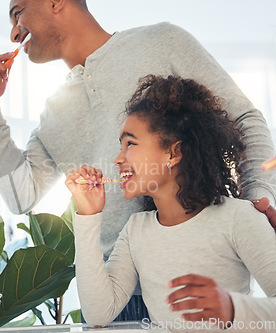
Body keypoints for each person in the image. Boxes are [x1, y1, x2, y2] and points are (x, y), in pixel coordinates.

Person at [0, 0, 276, 320]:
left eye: (18, 12)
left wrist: (257, 203)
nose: (13, 32)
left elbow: (245, 120)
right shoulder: (52, 114)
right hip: (115, 298)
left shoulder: (162, 41)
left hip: (202, 283)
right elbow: (20, 196)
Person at [65, 75, 276, 330]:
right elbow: (99, 314)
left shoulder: (238, 218)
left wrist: (233, 309)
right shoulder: (136, 230)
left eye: (130, 143)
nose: (118, 159)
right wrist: (88, 215)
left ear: (173, 153)